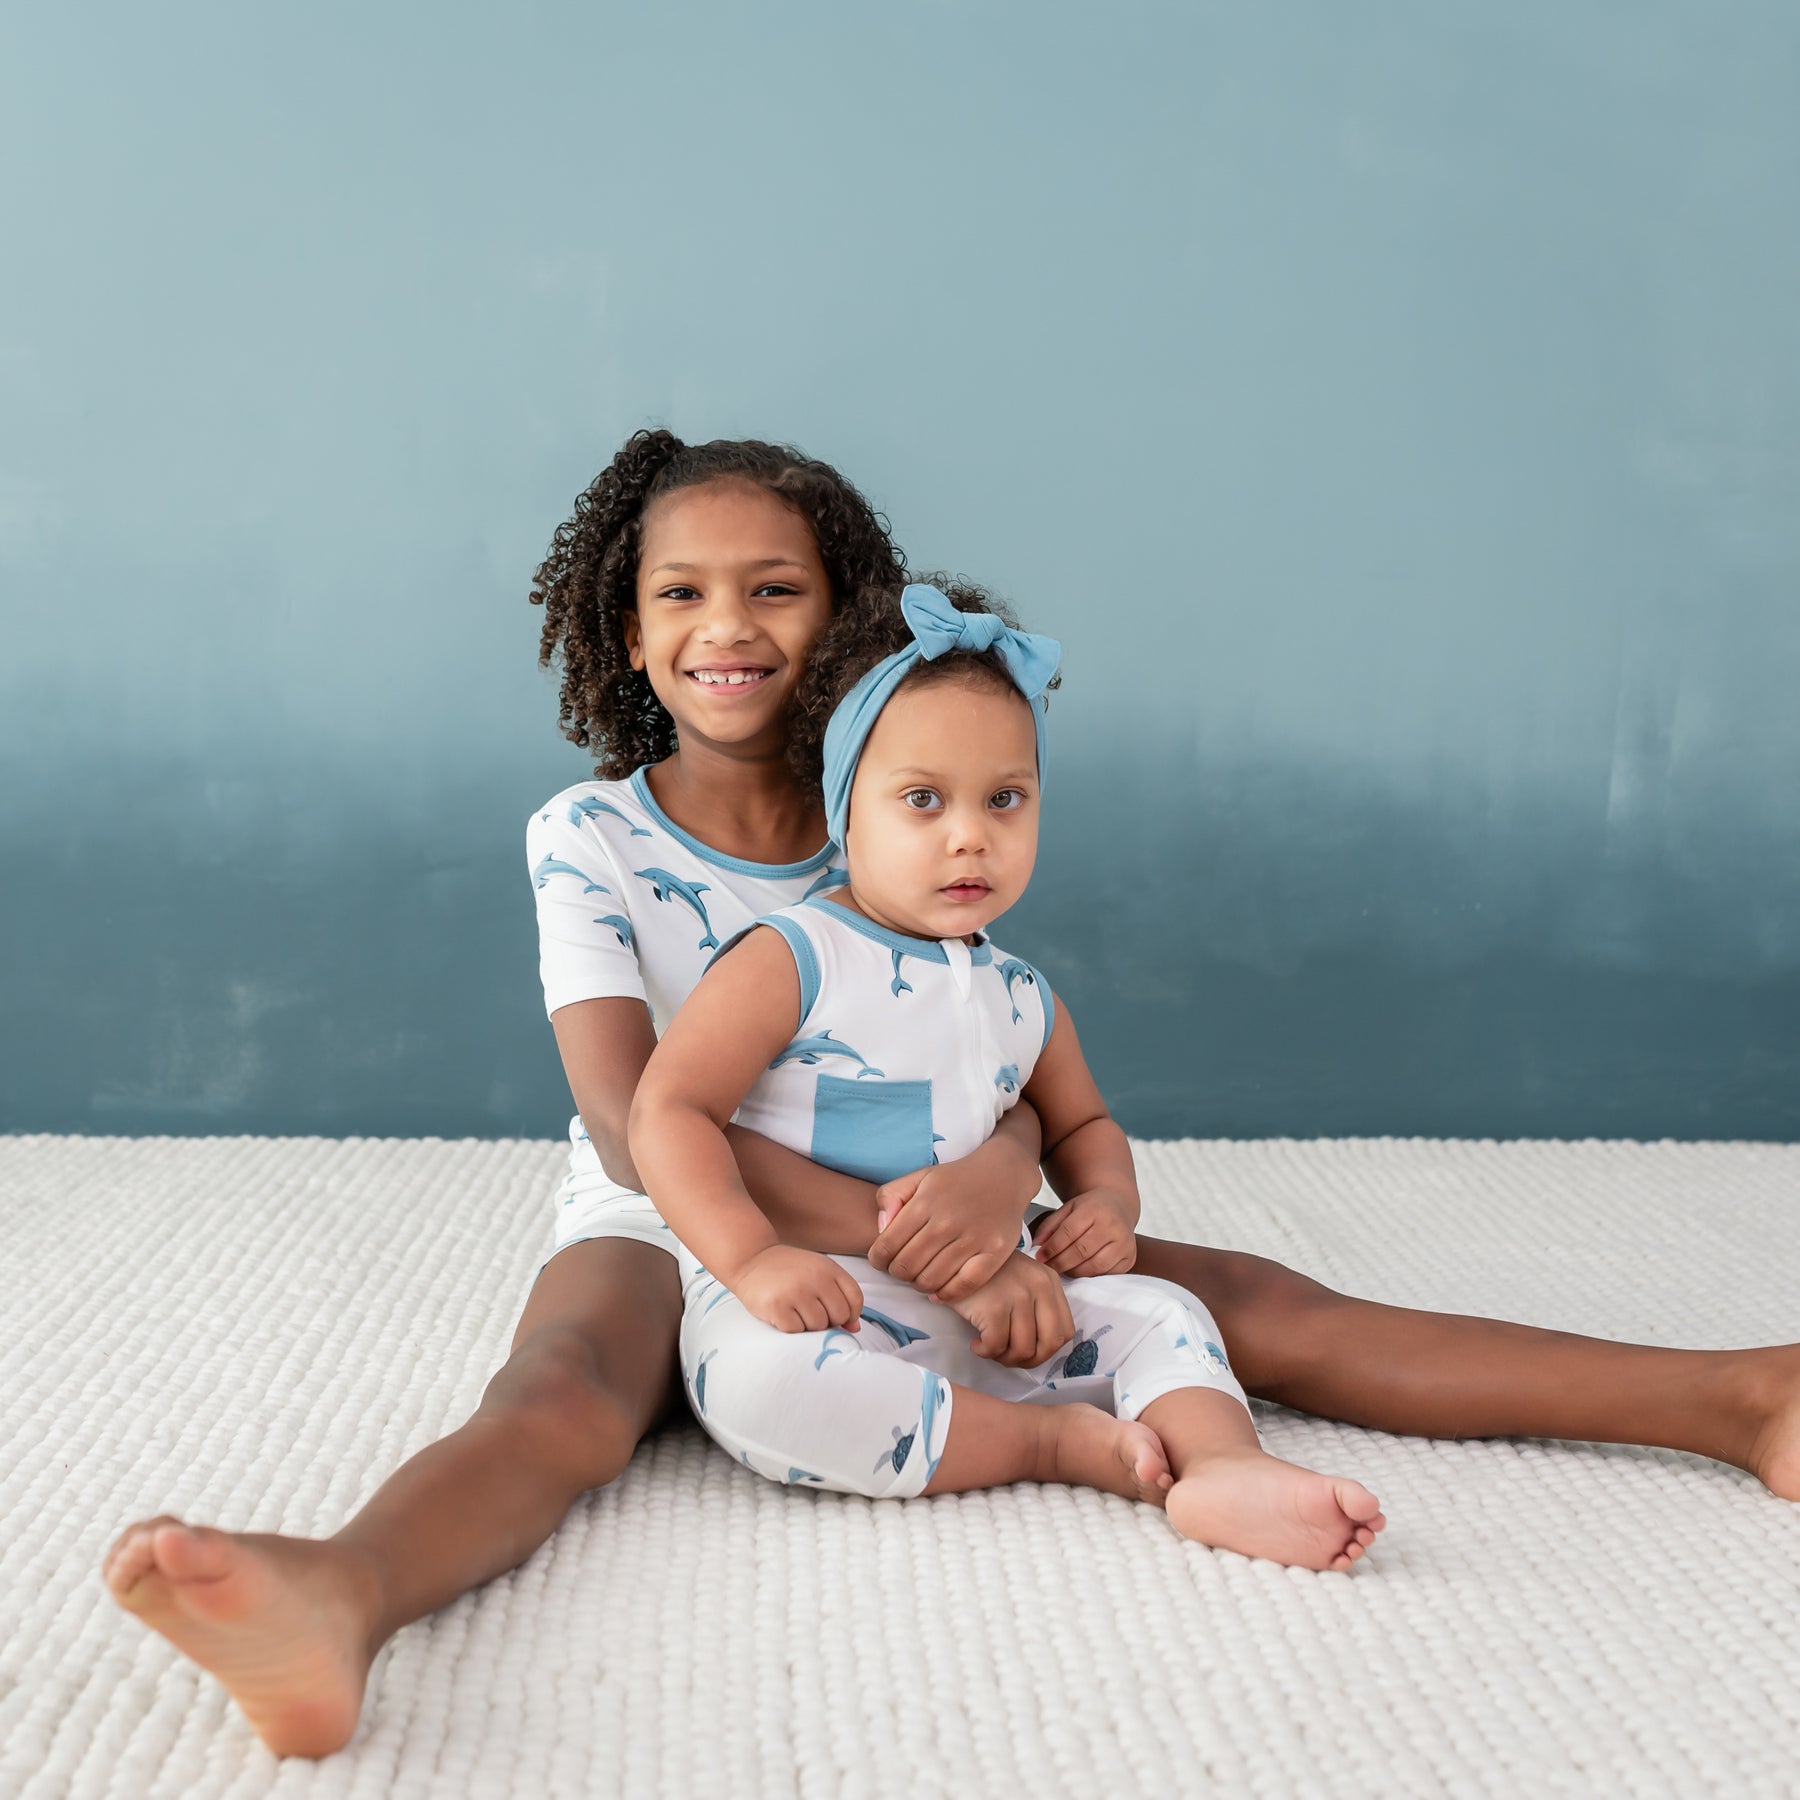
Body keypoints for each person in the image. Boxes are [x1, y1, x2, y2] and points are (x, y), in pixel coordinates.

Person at [102, 430, 1800, 1759]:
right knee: (561, 1390)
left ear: (838, 617)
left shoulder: (917, 801)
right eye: (681, 594)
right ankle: (336, 1595)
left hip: (938, 1196)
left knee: (1247, 1300)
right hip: (670, 1206)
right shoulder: (593, 838)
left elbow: (977, 1019)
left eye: (773, 590)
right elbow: (638, 1115)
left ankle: (1736, 1393)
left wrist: (1003, 1176)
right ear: (625, 624)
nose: (727, 629)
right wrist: (944, 1238)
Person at [630, 582, 1388, 1569]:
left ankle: (1223, 1464)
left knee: (1167, 1312)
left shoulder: (1023, 994)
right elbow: (669, 1109)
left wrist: (1107, 1201)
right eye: (922, 800)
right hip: (823, 1299)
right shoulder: (794, 957)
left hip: (1008, 1299)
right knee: (766, 1389)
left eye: (1005, 799)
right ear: (841, 809)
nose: (969, 834)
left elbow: (1081, 1127)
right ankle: (1058, 1446)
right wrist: (751, 1259)